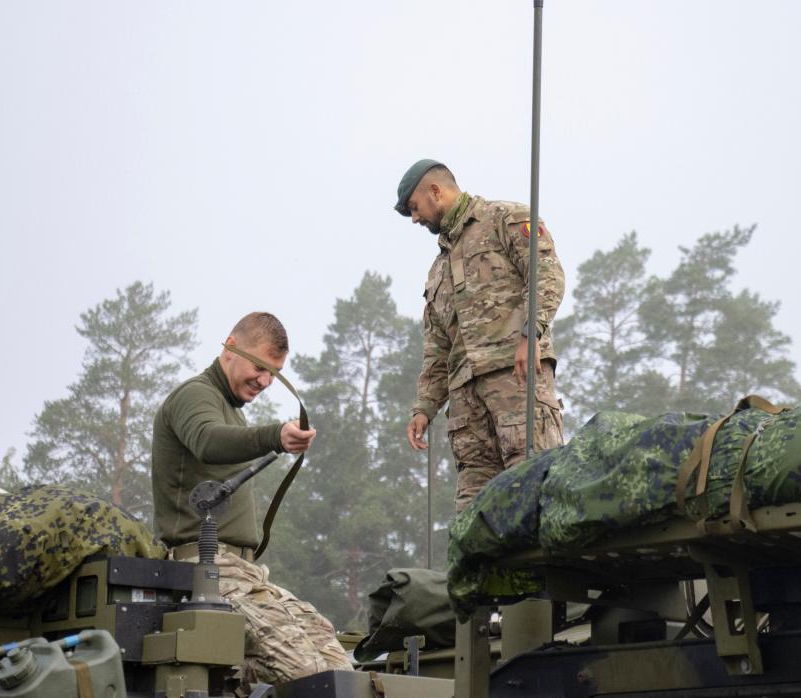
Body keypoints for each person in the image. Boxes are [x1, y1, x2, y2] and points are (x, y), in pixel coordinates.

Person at [151, 311, 353, 692]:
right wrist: (275, 436)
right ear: (230, 347)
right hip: (205, 570)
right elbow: (208, 441)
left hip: (244, 574)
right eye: (260, 367)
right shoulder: (194, 395)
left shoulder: (230, 409)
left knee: (335, 662)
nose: (265, 381)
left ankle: (229, 682)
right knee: (308, 672)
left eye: (274, 373)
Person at [396, 159, 566, 511]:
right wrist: (425, 407)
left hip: (515, 383)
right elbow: (438, 347)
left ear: (435, 191)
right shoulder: (437, 270)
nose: (414, 219)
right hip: (467, 410)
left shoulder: (505, 219)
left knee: (532, 491)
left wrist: (529, 334)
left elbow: (546, 275)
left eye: (414, 208)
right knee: (473, 516)